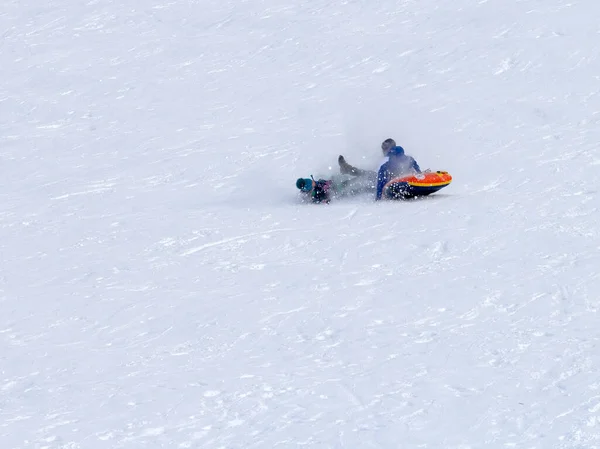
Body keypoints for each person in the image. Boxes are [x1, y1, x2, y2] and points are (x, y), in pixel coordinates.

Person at [338, 138, 422, 200]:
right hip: (384, 181)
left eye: (385, 148)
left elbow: (381, 177)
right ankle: (346, 178)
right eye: (383, 148)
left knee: (365, 181)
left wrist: (378, 197)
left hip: (386, 182)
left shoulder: (391, 159)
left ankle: (346, 178)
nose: (383, 150)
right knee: (365, 179)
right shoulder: (400, 158)